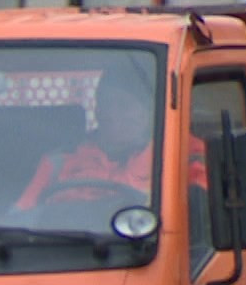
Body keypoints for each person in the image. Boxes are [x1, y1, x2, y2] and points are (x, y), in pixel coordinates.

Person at [13, 73, 160, 211]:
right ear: (97, 110)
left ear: (148, 111)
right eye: (106, 104)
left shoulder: (164, 158)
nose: (112, 114)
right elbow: (20, 218)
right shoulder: (57, 162)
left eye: (124, 105)